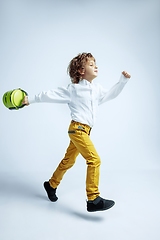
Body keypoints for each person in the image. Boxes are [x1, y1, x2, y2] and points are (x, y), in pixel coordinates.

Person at [22, 52, 131, 212]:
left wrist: (122, 82)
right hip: (77, 129)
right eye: (91, 64)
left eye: (95, 64)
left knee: (69, 161)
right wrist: (30, 99)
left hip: (85, 132)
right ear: (80, 70)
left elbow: (110, 94)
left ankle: (51, 185)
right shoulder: (74, 89)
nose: (96, 66)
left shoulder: (96, 90)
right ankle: (93, 199)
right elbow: (50, 95)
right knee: (94, 160)